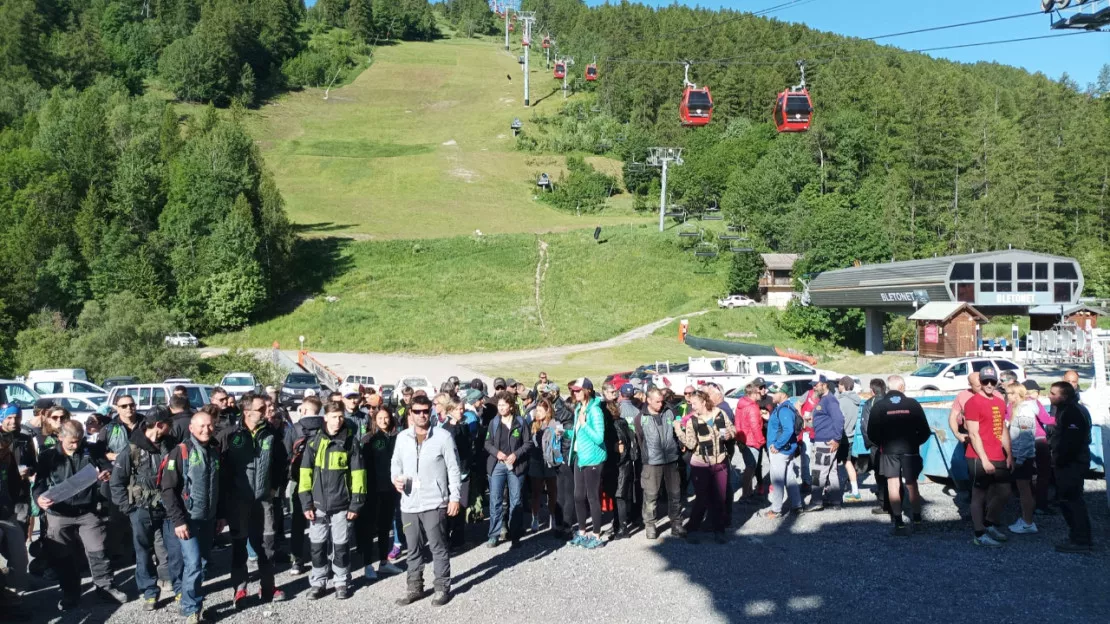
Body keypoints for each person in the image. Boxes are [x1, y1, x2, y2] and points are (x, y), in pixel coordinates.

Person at [33, 420, 123, 610]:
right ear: (60, 437)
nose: (76, 445)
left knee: (98, 548)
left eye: (79, 441)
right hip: (59, 512)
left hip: (87, 510)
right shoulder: (48, 456)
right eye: (72, 441)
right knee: (62, 554)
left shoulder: (90, 451)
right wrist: (39, 499)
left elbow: (106, 465)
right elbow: (39, 484)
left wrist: (107, 471)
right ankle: (70, 592)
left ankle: (105, 587)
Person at [109, 405, 182, 610]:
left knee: (175, 551)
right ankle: (150, 592)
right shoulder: (131, 449)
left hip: (170, 510)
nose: (172, 427)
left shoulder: (172, 445)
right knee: (143, 553)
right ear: (159, 425)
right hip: (141, 510)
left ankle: (179, 589)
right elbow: (116, 483)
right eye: (169, 423)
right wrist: (129, 509)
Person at [392, 396, 461, 607]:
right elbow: (396, 463)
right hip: (410, 503)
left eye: (425, 411)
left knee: (438, 547)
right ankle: (414, 588)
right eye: (417, 411)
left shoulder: (443, 437)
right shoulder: (402, 437)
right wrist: (395, 479)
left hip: (435, 502)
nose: (422, 415)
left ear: (430, 411)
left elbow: (453, 468)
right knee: (412, 549)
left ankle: (441, 587)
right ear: (410, 413)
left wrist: (454, 497)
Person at [222, 394, 287, 607]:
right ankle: (240, 589)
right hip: (239, 501)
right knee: (240, 546)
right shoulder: (230, 435)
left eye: (266, 407)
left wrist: (275, 488)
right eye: (261, 408)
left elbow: (281, 463)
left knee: (267, 546)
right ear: (247, 412)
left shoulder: (271, 434)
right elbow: (222, 469)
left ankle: (268, 587)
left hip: (264, 500)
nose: (266, 411)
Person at [161, 410, 226, 623]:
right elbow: (168, 490)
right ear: (191, 428)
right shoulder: (180, 452)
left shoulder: (215, 450)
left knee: (204, 562)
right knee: (194, 563)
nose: (206, 430)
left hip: (208, 518)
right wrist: (178, 521)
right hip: (187, 520)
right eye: (201, 426)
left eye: (210, 425)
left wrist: (221, 515)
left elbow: (220, 487)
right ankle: (191, 608)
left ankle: (190, 594)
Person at [298, 401, 366, 600]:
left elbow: (359, 475)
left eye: (341, 416)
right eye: (334, 416)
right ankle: (318, 582)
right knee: (317, 546)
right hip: (317, 506)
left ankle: (341, 581)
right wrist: (306, 502)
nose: (338, 420)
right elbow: (305, 474)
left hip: (342, 506)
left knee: (341, 546)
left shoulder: (350, 442)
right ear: (325, 417)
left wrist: (356, 503)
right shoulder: (313, 443)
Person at [867, 376, 929, 536]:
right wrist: (915, 442)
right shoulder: (913, 404)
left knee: (892, 483)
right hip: (910, 449)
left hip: (888, 450)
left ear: (889, 388)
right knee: (912, 484)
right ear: (902, 387)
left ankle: (898, 521)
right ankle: (916, 518)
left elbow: (871, 433)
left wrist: (882, 443)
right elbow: (925, 430)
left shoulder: (879, 406)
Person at [963, 366, 1012, 548]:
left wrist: (1009, 453)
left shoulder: (999, 401)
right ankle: (979, 533)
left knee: (1005, 491)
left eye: (993, 381)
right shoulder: (973, 403)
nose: (990, 384)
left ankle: (990, 523)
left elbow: (1003, 428)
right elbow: (974, 434)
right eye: (986, 381)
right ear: (980, 383)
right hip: (978, 456)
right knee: (979, 495)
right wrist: (984, 459)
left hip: (998, 454)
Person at [681, 390, 735, 543]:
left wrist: (730, 434)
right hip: (701, 464)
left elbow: (732, 429)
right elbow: (691, 444)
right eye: (691, 404)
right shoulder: (693, 421)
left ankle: (719, 530)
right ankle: (692, 529)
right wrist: (679, 430)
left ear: (704, 402)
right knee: (702, 498)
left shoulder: (720, 413)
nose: (693, 407)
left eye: (695, 404)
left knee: (721, 497)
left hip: (721, 462)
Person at [634, 388, 685, 539]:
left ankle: (676, 523)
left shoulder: (670, 412)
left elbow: (678, 431)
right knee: (651, 495)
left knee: (675, 494)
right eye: (657, 401)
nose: (661, 404)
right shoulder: (640, 418)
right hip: (652, 462)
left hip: (671, 459)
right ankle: (650, 525)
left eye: (662, 400)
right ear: (648, 400)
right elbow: (639, 439)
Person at [1048, 381, 1092, 553]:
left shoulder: (1073, 412)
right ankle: (1077, 536)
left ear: (1063, 396)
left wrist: (1060, 460)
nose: (1049, 396)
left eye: (1053, 393)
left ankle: (1081, 540)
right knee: (1069, 500)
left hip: (1072, 464)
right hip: (1070, 462)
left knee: (1072, 501)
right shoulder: (1067, 409)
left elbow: (1072, 443)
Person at [483, 392, 532, 548]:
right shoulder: (494, 422)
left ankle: (515, 534)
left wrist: (516, 455)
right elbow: (487, 443)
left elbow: (528, 443)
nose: (501, 408)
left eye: (504, 405)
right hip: (497, 465)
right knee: (495, 500)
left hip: (516, 466)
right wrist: (497, 453)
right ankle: (494, 534)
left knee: (516, 500)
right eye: (499, 405)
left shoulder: (521, 422)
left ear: (511, 406)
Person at [361, 408, 404, 579]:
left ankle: (384, 562)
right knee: (369, 528)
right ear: (374, 420)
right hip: (373, 489)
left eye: (386, 417)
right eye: (380, 418)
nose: (384, 421)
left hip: (390, 488)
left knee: (385, 527)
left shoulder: (398, 438)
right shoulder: (369, 439)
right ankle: (367, 564)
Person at [566, 379, 607, 549]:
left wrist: (583, 423)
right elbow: (579, 434)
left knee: (592, 497)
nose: (574, 393)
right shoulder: (578, 408)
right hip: (579, 457)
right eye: (573, 391)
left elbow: (599, 438)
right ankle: (582, 532)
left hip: (593, 459)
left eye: (578, 390)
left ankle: (596, 536)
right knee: (578, 496)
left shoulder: (595, 411)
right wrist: (566, 433)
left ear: (587, 391)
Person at [288, 396, 324, 575]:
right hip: (323, 482)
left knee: (297, 521)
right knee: (323, 520)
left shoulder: (295, 429)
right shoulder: (327, 428)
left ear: (303, 410)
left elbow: (287, 455)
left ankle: (297, 560)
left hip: (300, 481)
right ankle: (322, 557)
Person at [438, 399, 475, 549]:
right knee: (449, 507)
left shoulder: (464, 426)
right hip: (450, 474)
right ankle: (445, 539)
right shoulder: (446, 430)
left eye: (462, 409)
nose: (461, 412)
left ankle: (459, 540)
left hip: (464, 472)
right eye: (458, 409)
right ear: (450, 410)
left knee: (462, 505)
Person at [1004, 383, 1038, 536]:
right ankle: (1026, 519)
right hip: (1021, 454)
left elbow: (1026, 437)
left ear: (1016, 394)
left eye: (1010, 394)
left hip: (1023, 456)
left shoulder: (1024, 411)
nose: (1008, 397)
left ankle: (1028, 522)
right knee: (1023, 489)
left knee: (1025, 490)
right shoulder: (1019, 409)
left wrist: (1020, 459)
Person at [764, 383, 802, 519]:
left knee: (777, 480)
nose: (771, 395)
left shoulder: (784, 409)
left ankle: (776, 509)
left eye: (775, 392)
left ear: (783, 394)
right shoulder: (785, 407)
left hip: (780, 451)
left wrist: (777, 445)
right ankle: (797, 505)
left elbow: (789, 430)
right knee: (789, 477)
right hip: (787, 449)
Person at [807, 376, 844, 512]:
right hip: (825, 440)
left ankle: (816, 501)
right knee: (832, 472)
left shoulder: (830, 400)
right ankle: (835, 500)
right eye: (813, 385)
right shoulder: (824, 400)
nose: (814, 387)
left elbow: (839, 419)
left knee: (818, 472)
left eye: (816, 384)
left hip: (825, 442)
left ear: (824, 385)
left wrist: (836, 438)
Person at [607, 391, 637, 540]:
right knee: (618, 496)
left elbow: (621, 448)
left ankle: (623, 528)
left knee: (619, 496)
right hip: (622, 465)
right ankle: (617, 524)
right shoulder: (622, 423)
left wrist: (615, 460)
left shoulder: (616, 426)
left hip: (620, 466)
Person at [527, 400, 560, 534]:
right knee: (536, 492)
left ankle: (553, 516)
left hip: (550, 462)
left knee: (552, 491)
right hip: (536, 460)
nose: (537, 413)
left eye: (540, 411)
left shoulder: (554, 424)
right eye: (536, 411)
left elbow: (559, 438)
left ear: (547, 411)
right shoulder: (533, 425)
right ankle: (535, 517)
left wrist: (558, 434)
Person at [1024, 379, 1056, 513]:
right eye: (1037, 391)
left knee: (1029, 475)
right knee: (1044, 474)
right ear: (1032, 392)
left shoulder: (1015, 403)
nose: (1039, 394)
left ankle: (1029, 503)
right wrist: (1059, 419)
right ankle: (1041, 505)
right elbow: (1046, 419)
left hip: (1023, 442)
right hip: (1039, 441)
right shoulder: (1034, 403)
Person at [859, 378, 889, 516]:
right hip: (892, 443)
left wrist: (870, 443)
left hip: (877, 445)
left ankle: (884, 504)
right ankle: (897, 500)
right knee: (894, 473)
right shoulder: (891, 400)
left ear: (872, 390)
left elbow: (864, 426)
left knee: (880, 473)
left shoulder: (869, 403)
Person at [733, 383, 765, 503]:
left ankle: (748, 492)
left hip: (743, 439)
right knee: (750, 467)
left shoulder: (741, 404)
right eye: (758, 391)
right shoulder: (752, 407)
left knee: (749, 466)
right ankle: (745, 494)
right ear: (753, 393)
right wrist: (761, 441)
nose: (761, 393)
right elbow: (755, 426)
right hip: (751, 441)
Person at [836, 377, 862, 502]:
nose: (837, 387)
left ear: (843, 386)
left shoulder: (841, 401)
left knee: (837, 464)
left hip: (841, 437)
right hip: (852, 436)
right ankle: (854, 490)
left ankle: (833, 491)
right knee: (849, 463)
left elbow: (838, 420)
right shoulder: (857, 400)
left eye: (839, 385)